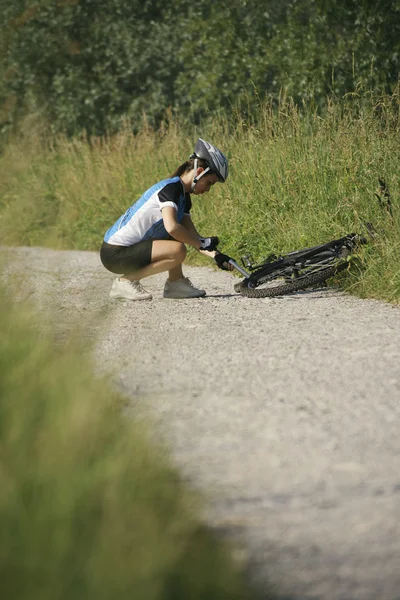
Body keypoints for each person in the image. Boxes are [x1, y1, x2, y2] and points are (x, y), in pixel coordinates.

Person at [100, 138, 234, 300]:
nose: (208, 190)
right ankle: (125, 282)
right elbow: (172, 228)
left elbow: (193, 236)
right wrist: (200, 243)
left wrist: (218, 256)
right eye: (209, 183)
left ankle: (176, 283)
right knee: (177, 248)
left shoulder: (183, 197)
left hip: (131, 251)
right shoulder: (170, 189)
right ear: (199, 173)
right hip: (114, 254)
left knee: (178, 238)